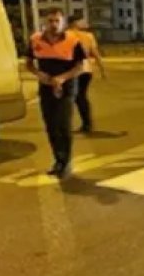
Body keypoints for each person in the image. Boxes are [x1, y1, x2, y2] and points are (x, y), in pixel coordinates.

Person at [26, 9, 88, 177]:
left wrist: (62, 78)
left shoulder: (73, 41)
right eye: (50, 21)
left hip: (66, 88)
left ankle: (66, 161)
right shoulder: (35, 40)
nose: (53, 25)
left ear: (63, 23)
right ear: (45, 22)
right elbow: (29, 63)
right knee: (51, 126)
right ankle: (58, 159)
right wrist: (39, 74)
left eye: (57, 21)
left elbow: (80, 66)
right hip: (46, 88)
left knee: (63, 125)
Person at [70, 13, 103, 134]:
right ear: (75, 23)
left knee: (78, 97)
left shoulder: (67, 35)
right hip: (87, 69)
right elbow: (95, 53)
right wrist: (102, 68)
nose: (85, 23)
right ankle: (87, 123)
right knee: (80, 96)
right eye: (82, 21)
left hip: (74, 69)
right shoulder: (89, 36)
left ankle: (86, 124)